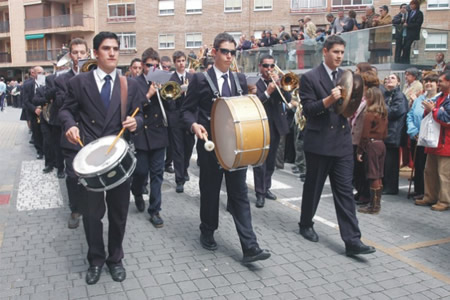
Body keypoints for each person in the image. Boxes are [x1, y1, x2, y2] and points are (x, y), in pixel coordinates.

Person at [59, 31, 144, 285]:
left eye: (116, 48)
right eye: (106, 48)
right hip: (91, 160)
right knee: (92, 215)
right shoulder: (79, 83)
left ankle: (115, 259)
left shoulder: (130, 83)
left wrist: (134, 122)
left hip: (118, 160)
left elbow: (142, 114)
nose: (112, 53)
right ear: (95, 53)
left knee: (118, 213)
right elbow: (65, 110)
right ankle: (95, 260)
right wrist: (70, 125)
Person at [181, 32, 271, 263]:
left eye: (233, 52)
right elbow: (186, 110)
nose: (230, 56)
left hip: (236, 145)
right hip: (210, 146)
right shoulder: (201, 80)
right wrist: (194, 125)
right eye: (225, 51)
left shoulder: (239, 80)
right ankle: (207, 230)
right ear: (214, 52)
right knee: (210, 192)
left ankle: (250, 247)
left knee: (239, 194)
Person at [298, 35, 375, 256]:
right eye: (335, 52)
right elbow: (308, 110)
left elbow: (350, 108)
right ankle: (305, 224)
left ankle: (352, 241)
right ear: (325, 52)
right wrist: (328, 101)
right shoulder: (310, 78)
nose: (339, 56)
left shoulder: (347, 76)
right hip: (319, 143)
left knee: (344, 193)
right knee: (313, 189)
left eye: (342, 52)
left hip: (341, 144)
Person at [130, 47, 169, 228]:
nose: (152, 68)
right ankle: (137, 191)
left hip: (159, 133)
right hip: (142, 135)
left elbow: (170, 104)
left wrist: (169, 95)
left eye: (155, 65)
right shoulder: (134, 83)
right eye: (148, 65)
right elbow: (133, 110)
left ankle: (155, 210)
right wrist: (149, 95)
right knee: (140, 172)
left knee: (157, 175)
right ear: (143, 65)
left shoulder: (161, 79)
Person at [55, 38, 89, 229]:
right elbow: (62, 106)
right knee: (73, 176)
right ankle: (75, 209)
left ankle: (90, 206)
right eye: (75, 53)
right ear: (70, 55)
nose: (78, 56)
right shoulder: (61, 80)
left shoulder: (96, 76)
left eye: (81, 53)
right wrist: (80, 80)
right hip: (71, 136)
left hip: (92, 134)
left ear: (88, 54)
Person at [253, 54, 292, 208]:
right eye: (266, 66)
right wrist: (268, 92)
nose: (269, 69)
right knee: (260, 162)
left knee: (271, 162)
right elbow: (255, 103)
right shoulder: (254, 83)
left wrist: (281, 86)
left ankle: (266, 187)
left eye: (271, 66)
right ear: (260, 67)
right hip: (261, 127)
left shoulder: (278, 82)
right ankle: (259, 193)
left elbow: (287, 99)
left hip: (276, 126)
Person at [415, 71, 450, 211]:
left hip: (445, 143)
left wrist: (433, 109)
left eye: (441, 81)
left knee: (444, 174)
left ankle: (445, 200)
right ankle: (430, 196)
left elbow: (447, 119)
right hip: (433, 142)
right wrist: (428, 110)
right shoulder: (438, 97)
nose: (439, 83)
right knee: (429, 171)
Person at [356, 76, 388, 214]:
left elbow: (365, 134)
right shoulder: (383, 113)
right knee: (378, 175)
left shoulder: (370, 114)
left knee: (373, 175)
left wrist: (359, 151)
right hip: (381, 144)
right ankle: (376, 204)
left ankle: (373, 206)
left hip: (372, 145)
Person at [166, 50, 195, 193]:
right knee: (178, 149)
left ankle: (184, 169)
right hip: (176, 118)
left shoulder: (191, 77)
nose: (181, 63)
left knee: (189, 147)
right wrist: (179, 93)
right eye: (178, 61)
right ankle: (179, 179)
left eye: (183, 60)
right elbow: (169, 103)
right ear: (174, 63)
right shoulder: (171, 80)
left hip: (189, 118)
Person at [407, 73, 439, 200]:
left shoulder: (439, 99)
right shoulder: (419, 99)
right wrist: (413, 131)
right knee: (418, 165)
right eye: (426, 81)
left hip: (431, 138)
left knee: (428, 166)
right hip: (417, 137)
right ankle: (418, 190)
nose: (428, 84)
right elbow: (410, 115)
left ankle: (429, 192)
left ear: (437, 84)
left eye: (432, 81)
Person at [351, 63, 373, 206]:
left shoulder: (371, 98)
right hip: (353, 136)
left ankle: (366, 194)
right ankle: (359, 191)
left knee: (364, 169)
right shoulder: (359, 96)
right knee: (356, 169)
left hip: (363, 138)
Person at [382, 74, 408, 195]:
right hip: (386, 132)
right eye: (387, 78)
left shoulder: (399, 96)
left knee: (391, 163)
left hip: (394, 133)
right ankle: (385, 185)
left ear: (398, 82)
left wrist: (382, 106)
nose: (389, 80)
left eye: (392, 78)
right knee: (385, 162)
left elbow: (394, 112)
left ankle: (391, 187)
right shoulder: (386, 95)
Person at [23, 66, 45, 160]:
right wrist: (34, 109)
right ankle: (39, 151)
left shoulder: (48, 83)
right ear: (34, 74)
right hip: (34, 113)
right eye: (39, 73)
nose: (41, 75)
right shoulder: (28, 85)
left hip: (46, 112)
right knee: (36, 133)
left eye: (42, 73)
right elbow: (26, 100)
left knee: (47, 133)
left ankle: (47, 151)